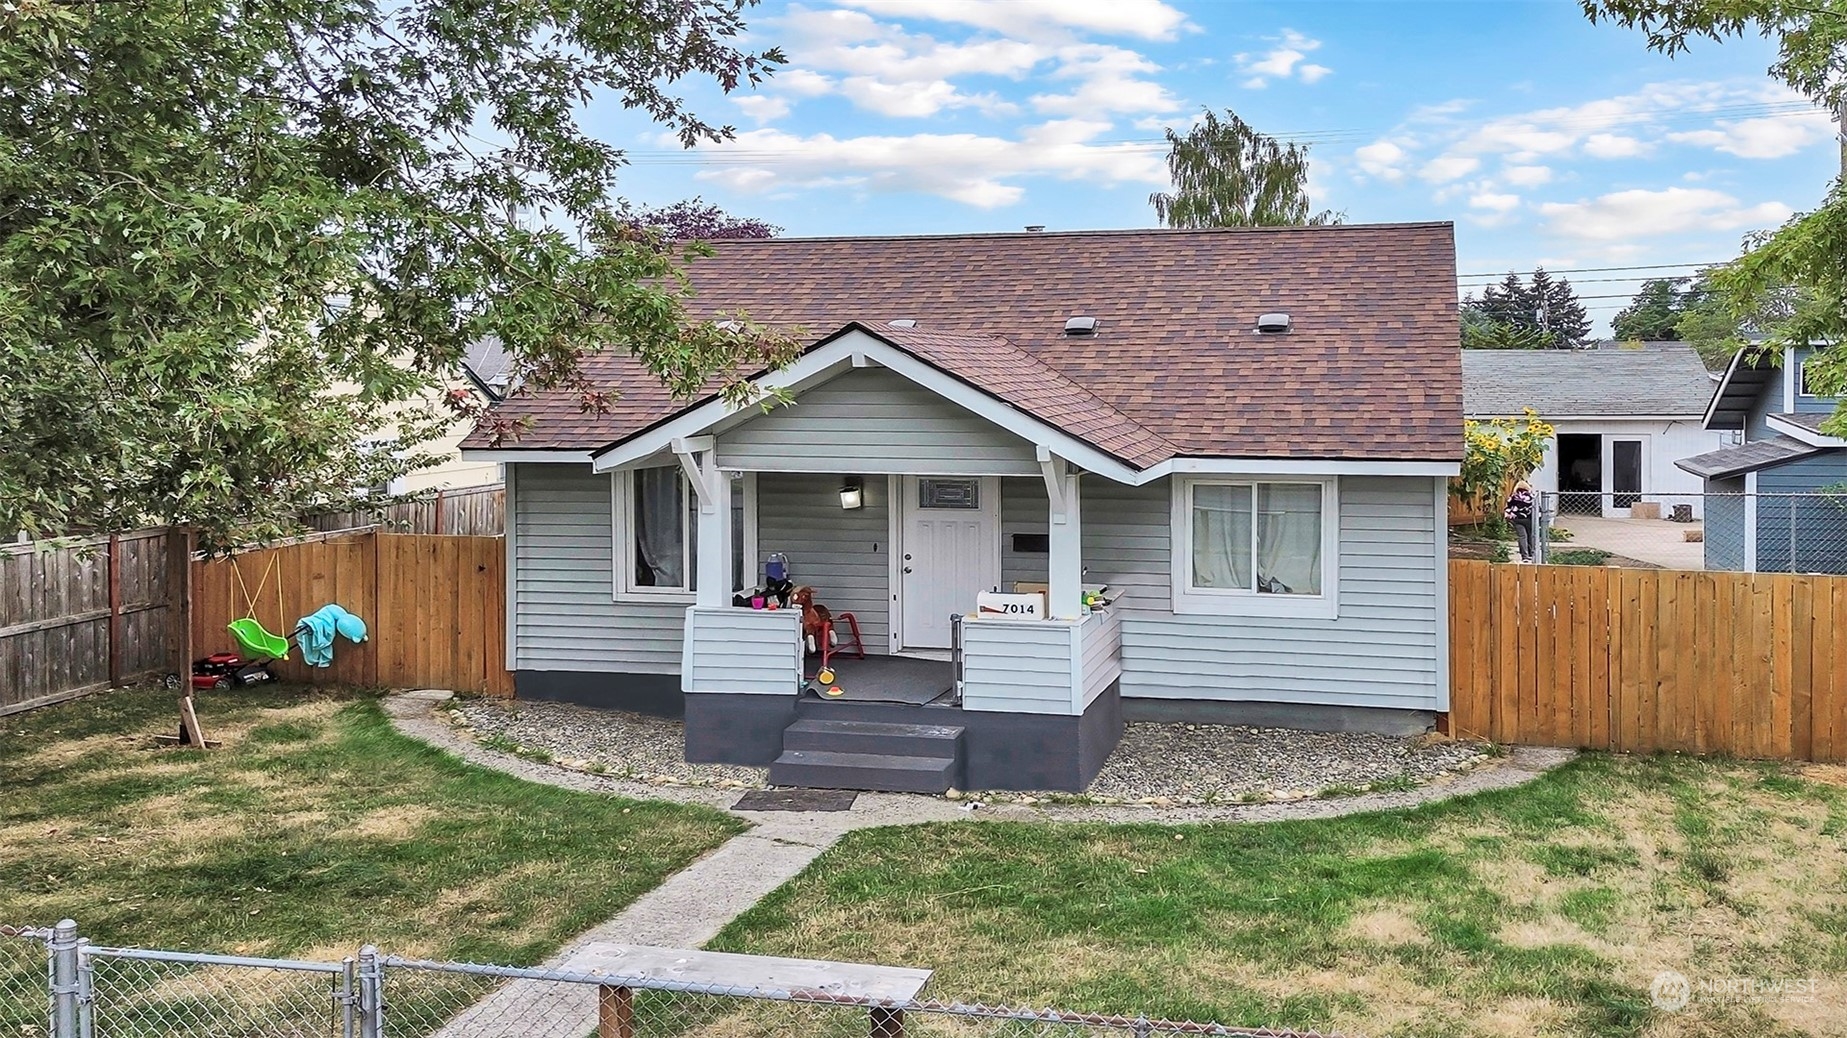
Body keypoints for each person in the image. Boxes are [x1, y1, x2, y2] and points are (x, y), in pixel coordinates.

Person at [1504, 479, 1537, 563]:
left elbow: (1508, 507)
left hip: (1517, 519)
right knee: (1530, 535)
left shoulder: (1513, 496)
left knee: (1522, 537)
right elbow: (1535, 508)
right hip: (1528, 519)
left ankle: (1524, 556)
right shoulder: (1531, 496)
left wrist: (1509, 516)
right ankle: (1531, 554)